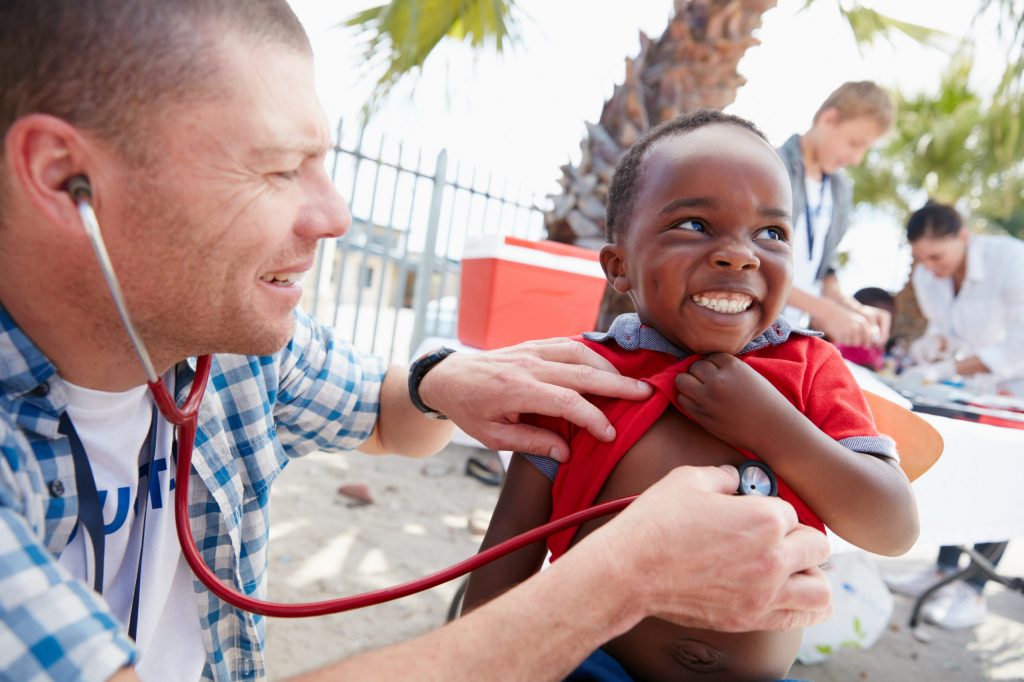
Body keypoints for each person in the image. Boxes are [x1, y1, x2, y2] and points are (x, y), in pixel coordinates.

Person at [0, 2, 834, 681]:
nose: (335, 217)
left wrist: (449, 380)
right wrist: (622, 579)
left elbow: (395, 416)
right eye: (275, 168)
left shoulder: (226, 355)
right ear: (61, 177)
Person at [462, 111, 919, 681]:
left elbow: (893, 527)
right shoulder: (581, 377)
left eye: (771, 233)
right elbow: (500, 570)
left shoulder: (809, 369)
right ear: (618, 266)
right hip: (591, 667)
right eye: (696, 225)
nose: (741, 255)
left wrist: (774, 428)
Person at [885, 201, 1024, 629]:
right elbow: (943, 332)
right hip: (980, 390)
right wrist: (932, 350)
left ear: (964, 237)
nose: (929, 267)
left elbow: (1018, 346)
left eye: (936, 257)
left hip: (1017, 386)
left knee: (1006, 475)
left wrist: (951, 368)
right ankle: (943, 568)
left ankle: (974, 588)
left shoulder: (1011, 261)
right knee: (963, 465)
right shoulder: (930, 276)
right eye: (921, 258)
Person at [777, 81, 895, 348]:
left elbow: (825, 273)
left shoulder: (840, 189)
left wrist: (853, 309)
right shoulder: (772, 167)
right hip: (751, 331)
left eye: (866, 149)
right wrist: (825, 311)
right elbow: (758, 263)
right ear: (828, 119)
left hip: (792, 335)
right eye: (854, 143)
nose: (857, 159)